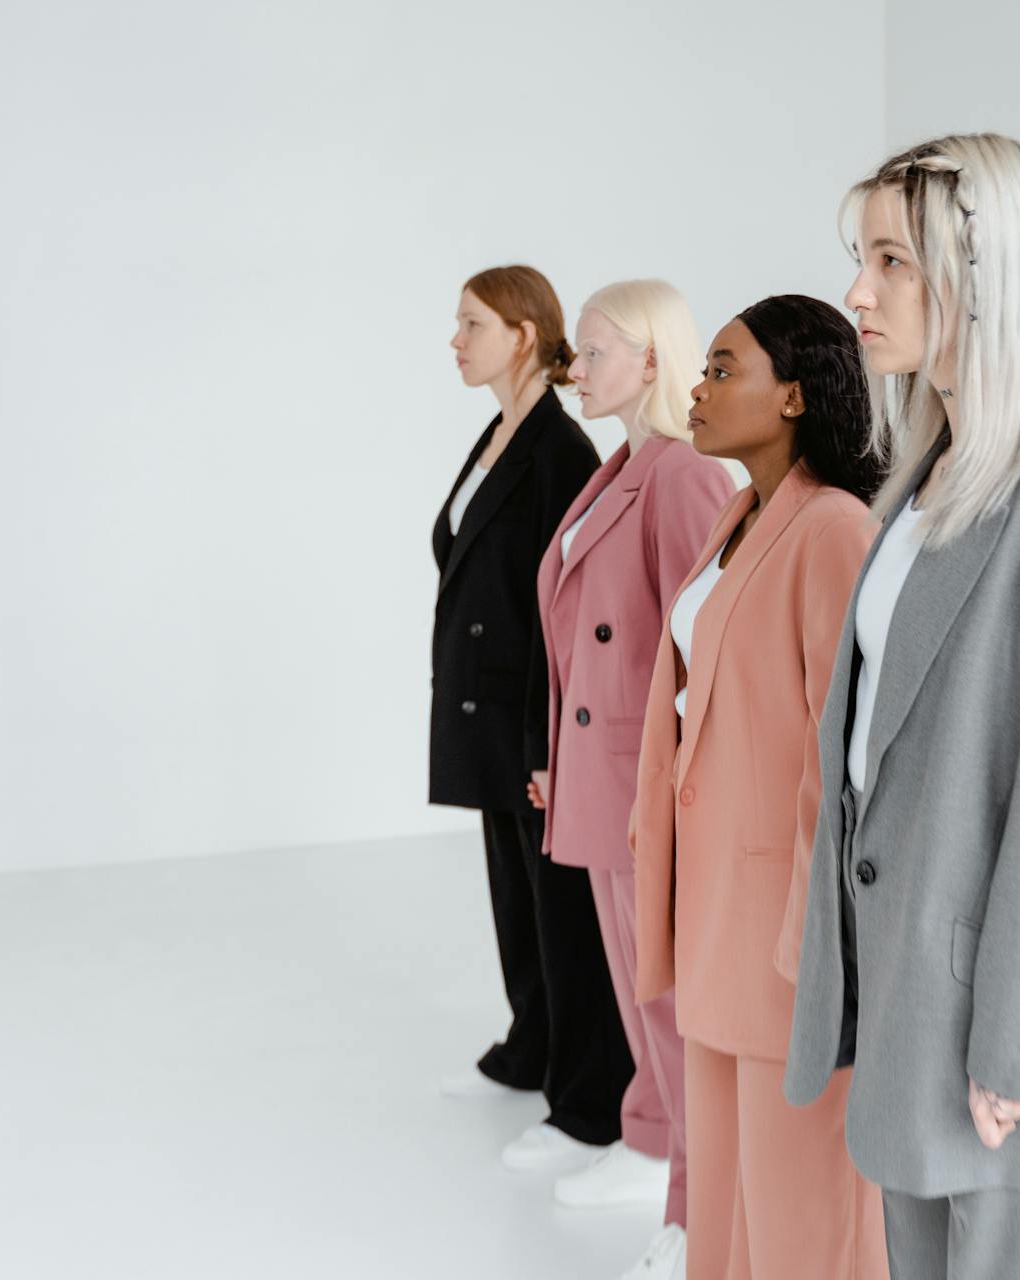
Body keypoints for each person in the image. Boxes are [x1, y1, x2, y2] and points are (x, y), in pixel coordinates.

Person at [784, 134, 1020, 1280]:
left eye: (892, 261)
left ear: (984, 268)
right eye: (862, 257)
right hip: (919, 1023)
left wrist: (1016, 1043)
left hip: (1016, 1065)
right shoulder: (929, 473)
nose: (859, 290)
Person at [632, 295, 890, 1280]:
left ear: (793, 393)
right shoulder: (739, 515)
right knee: (730, 1206)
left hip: (787, 932)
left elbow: (851, 752)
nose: (696, 389)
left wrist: (812, 930)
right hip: (715, 913)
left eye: (722, 369)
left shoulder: (833, 530)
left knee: (802, 1211)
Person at [533, 280, 735, 1277]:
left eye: (598, 349)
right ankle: (652, 1142)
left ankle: (699, 1203)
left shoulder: (684, 474)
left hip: (646, 779)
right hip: (602, 770)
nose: (578, 368)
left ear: (654, 359)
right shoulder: (623, 466)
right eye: (576, 350)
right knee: (634, 984)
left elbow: (705, 643)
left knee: (668, 992)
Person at [430, 264, 632, 1175]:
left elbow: (574, 608)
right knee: (514, 891)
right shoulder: (497, 434)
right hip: (484, 702)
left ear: (521, 334)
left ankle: (589, 1098)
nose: (455, 340)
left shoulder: (559, 451)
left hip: (531, 713)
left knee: (562, 909)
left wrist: (548, 733)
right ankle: (530, 1046)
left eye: (472, 323)